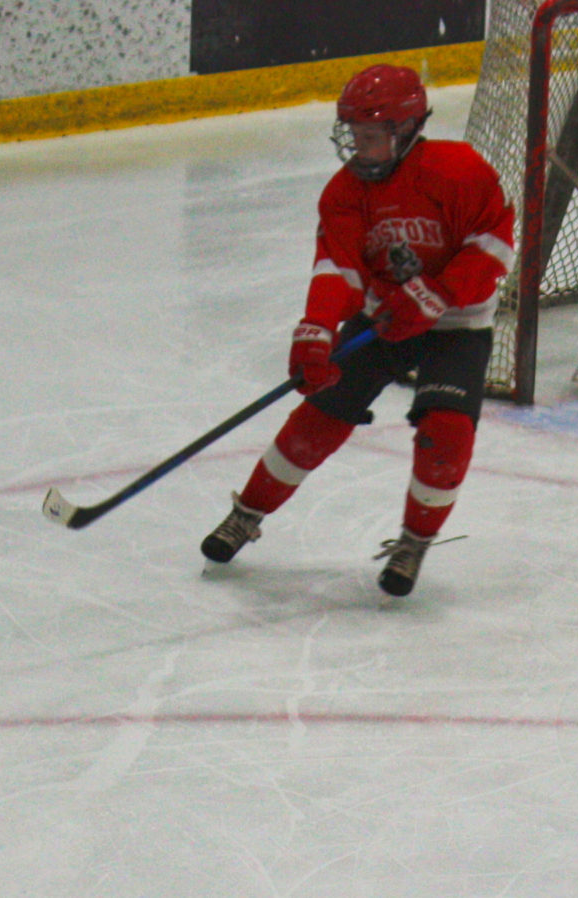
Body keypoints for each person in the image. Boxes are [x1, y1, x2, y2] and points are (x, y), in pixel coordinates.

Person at [197, 64, 515, 599]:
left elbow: (495, 244)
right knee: (319, 414)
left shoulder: (459, 170)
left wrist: (439, 292)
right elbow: (338, 269)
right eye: (354, 134)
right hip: (382, 319)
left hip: (458, 322)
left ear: (407, 129)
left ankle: (414, 541)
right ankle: (247, 512)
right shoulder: (344, 194)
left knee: (447, 432)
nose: (358, 147)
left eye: (371, 136)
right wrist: (317, 330)